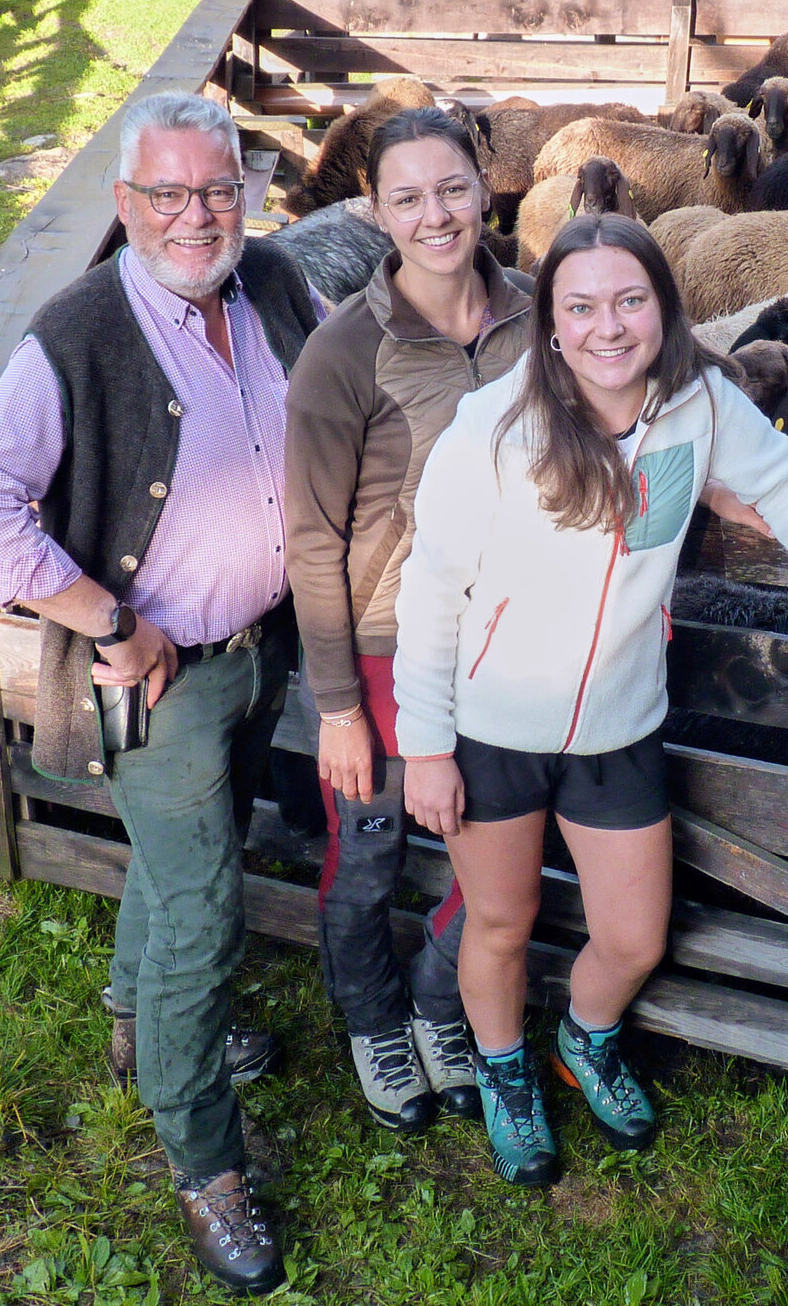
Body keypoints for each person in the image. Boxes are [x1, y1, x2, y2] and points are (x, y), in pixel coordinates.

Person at [390, 214, 788, 1188]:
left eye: (628, 301)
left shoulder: (699, 404)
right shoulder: (492, 431)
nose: (607, 327)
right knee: (498, 921)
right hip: (493, 728)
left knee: (633, 936)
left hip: (619, 725)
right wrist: (428, 745)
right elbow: (432, 591)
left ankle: (586, 1037)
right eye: (581, 307)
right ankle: (504, 1074)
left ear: (662, 307)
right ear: (551, 323)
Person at [0, 90, 317, 1296]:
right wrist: (109, 616)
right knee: (207, 908)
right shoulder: (79, 335)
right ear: (125, 204)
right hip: (163, 679)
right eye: (169, 194)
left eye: (218, 191)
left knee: (177, 862)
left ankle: (132, 1023)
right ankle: (204, 1161)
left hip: (262, 649)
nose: (197, 217)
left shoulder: (275, 290)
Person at [280, 107, 523, 1132]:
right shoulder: (344, 353)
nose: (437, 215)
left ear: (484, 184)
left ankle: (437, 998)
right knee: (370, 845)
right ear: (374, 209)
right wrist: (337, 704)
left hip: (509, 640)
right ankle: (373, 1018)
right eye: (409, 197)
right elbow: (312, 538)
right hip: (382, 650)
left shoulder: (535, 312)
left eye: (453, 188)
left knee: (497, 843)